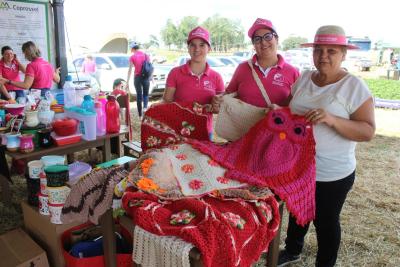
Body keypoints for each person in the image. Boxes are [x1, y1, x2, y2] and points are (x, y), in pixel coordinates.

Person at [278, 25, 376, 267]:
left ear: (344, 54)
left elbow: (367, 131)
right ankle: (292, 251)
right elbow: (288, 110)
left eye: (331, 51)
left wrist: (331, 119)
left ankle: (325, 263)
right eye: (318, 50)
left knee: (326, 221)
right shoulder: (304, 79)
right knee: (298, 211)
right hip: (298, 166)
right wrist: (277, 115)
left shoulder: (354, 86)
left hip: (332, 172)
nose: (323, 56)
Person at [212, 18, 299, 113]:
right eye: (257, 39)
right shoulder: (242, 68)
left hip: (278, 127)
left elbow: (298, 106)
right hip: (243, 127)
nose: (263, 42)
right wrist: (218, 100)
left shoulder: (293, 72)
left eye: (268, 36)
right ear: (254, 44)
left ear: (277, 39)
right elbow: (228, 94)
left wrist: (281, 110)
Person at [163, 26, 225, 139]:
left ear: (209, 48)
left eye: (202, 45)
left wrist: (215, 105)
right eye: (193, 45)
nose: (197, 49)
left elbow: (220, 109)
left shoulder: (217, 77)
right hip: (177, 132)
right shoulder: (175, 73)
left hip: (205, 132)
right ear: (188, 48)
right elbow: (167, 101)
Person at [126, 42, 150, 118]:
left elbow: (130, 69)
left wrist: (127, 81)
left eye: (131, 49)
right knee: (146, 94)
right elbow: (150, 67)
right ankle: (145, 108)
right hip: (146, 77)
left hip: (137, 77)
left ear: (133, 49)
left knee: (139, 95)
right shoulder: (146, 55)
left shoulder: (132, 57)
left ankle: (140, 115)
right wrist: (151, 77)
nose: (131, 50)